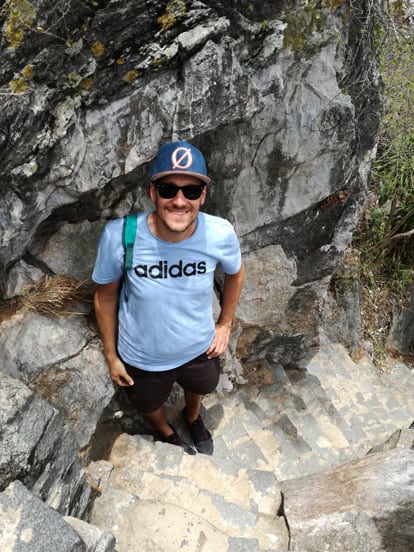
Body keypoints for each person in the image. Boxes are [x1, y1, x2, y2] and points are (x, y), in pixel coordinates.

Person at [92, 141, 245, 455]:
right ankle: (165, 431)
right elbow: (105, 297)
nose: (179, 201)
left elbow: (236, 272)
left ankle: (191, 415)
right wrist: (111, 355)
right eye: (168, 189)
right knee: (148, 401)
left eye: (191, 191)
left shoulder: (219, 233)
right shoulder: (121, 236)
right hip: (143, 356)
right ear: (152, 193)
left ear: (202, 195)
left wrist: (225, 324)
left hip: (197, 346)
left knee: (201, 385)